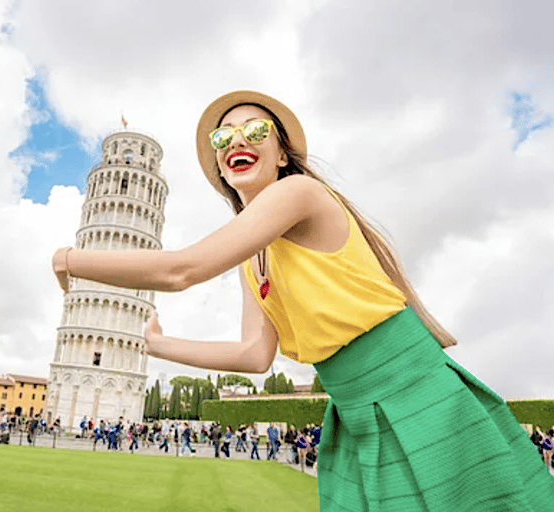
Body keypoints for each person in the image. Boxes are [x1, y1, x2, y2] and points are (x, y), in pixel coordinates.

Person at [52, 90, 554, 510]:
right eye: (222, 138)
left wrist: (72, 259)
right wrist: (157, 346)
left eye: (255, 131)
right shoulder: (256, 258)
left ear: (282, 154)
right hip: (356, 412)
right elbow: (253, 355)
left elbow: (182, 269)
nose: (237, 142)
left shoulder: (299, 194)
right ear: (221, 168)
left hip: (411, 395)